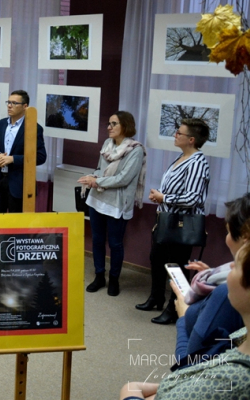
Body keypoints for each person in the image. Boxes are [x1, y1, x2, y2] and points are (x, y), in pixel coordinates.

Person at [118, 235, 250, 400]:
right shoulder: (241, 337)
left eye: (237, 266)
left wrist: (183, 317)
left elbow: (190, 364)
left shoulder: (232, 378)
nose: (229, 266)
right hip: (186, 381)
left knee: (130, 387)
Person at [136, 118, 211, 325]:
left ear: (191, 139)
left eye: (179, 133)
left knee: (176, 267)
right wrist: (159, 195)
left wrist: (164, 198)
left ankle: (174, 307)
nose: (175, 135)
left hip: (182, 224)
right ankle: (156, 298)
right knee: (157, 259)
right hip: (166, 219)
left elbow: (194, 198)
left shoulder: (198, 162)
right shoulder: (181, 157)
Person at [166, 194, 249, 371]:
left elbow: (190, 368)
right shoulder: (228, 287)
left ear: (245, 237)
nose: (231, 267)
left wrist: (183, 315)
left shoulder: (224, 296)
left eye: (228, 231)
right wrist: (210, 274)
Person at [77, 111, 146, 296]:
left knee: (115, 244)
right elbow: (102, 169)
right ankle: (100, 275)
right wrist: (94, 176)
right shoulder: (107, 144)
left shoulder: (136, 150)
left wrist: (97, 181)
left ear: (125, 126)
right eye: (109, 123)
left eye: (113, 123)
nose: (109, 127)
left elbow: (123, 179)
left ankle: (114, 279)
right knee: (98, 240)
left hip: (117, 202)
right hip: (98, 198)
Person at [0, 90, 47, 213]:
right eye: (8, 102)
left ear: (25, 106)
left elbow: (41, 157)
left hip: (20, 184)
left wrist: (13, 159)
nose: (9, 106)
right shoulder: (2, 124)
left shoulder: (34, 128)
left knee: (16, 225)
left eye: (14, 103)